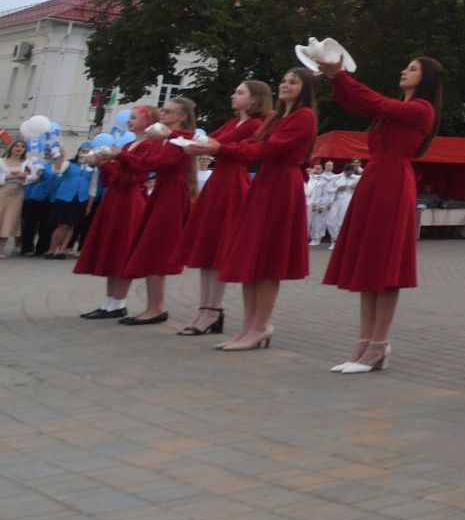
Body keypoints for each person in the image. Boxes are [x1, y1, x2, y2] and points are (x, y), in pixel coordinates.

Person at [318, 55, 442, 374]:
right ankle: (364, 342)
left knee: (384, 268)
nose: (404, 70)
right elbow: (355, 101)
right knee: (368, 266)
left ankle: (378, 344)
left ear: (426, 79)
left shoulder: (421, 109)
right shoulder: (391, 111)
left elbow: (372, 100)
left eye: (412, 68)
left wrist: (340, 73)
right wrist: (335, 78)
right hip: (375, 182)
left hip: (393, 185)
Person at [198, 70, 318, 349]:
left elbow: (266, 150)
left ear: (305, 88)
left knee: (268, 260)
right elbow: (251, 144)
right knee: (251, 256)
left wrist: (220, 150)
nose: (285, 84)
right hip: (265, 183)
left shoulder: (304, 117)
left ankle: (261, 325)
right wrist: (216, 146)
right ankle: (248, 327)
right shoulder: (278, 117)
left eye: (293, 82)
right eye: (284, 80)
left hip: (281, 185)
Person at [174, 81, 270, 336]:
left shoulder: (255, 125)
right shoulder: (233, 122)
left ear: (253, 100)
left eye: (239, 93)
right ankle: (205, 309)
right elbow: (208, 139)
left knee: (217, 249)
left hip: (232, 184)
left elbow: (240, 151)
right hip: (219, 183)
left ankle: (212, 310)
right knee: (208, 249)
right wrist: (178, 137)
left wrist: (208, 146)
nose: (233, 95)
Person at [116, 96, 198, 324]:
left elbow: (155, 164)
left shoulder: (182, 138)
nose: (163, 115)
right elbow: (145, 163)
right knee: (153, 248)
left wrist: (120, 155)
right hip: (161, 193)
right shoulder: (165, 138)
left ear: (182, 117)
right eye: (163, 111)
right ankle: (155, 306)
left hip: (172, 196)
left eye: (169, 112)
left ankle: (157, 307)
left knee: (157, 248)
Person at [74, 113, 156, 318]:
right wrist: (102, 163)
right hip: (116, 198)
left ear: (147, 122)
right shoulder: (129, 146)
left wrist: (112, 159)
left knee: (122, 248)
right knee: (112, 248)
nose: (130, 121)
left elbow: (135, 173)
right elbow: (114, 178)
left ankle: (118, 301)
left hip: (130, 200)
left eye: (135, 117)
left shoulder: (148, 145)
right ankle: (109, 302)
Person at [45, 146, 97, 259]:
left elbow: (92, 188)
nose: (85, 153)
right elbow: (57, 170)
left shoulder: (93, 169)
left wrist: (89, 205)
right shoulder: (69, 164)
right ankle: (51, 249)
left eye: (88, 152)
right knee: (62, 225)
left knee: (71, 225)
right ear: (78, 152)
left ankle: (62, 250)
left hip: (81, 199)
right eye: (83, 151)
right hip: (65, 197)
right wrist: (60, 157)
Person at [18, 145, 54, 256]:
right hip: (34, 196)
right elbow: (26, 178)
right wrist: (36, 173)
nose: (48, 153)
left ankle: (42, 248)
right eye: (46, 151)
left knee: (47, 224)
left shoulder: (58, 164)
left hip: (51, 198)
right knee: (30, 224)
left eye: (51, 151)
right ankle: (27, 248)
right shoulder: (32, 163)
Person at [326, 159, 363, 248]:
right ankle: (334, 238)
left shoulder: (357, 178)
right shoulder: (336, 178)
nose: (350, 174)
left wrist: (355, 188)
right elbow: (328, 189)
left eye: (351, 172)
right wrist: (337, 189)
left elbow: (363, 188)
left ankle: (338, 242)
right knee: (330, 221)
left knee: (341, 222)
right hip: (337, 200)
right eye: (348, 173)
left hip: (348, 200)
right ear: (344, 171)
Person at [1, 140, 28, 256]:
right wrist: (11, 177)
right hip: (2, 192)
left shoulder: (26, 163)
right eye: (17, 146)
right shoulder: (2, 162)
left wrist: (25, 178)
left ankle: (1, 248)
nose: (19, 148)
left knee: (9, 220)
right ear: (11, 147)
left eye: (22, 147)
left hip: (17, 194)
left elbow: (31, 178)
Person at [307, 161, 338, 247]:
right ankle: (316, 238)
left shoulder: (335, 177)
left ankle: (333, 240)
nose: (329, 167)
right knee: (317, 221)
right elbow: (319, 192)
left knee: (331, 221)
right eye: (327, 165)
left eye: (331, 165)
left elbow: (336, 189)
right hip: (320, 200)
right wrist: (319, 204)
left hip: (330, 201)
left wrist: (331, 200)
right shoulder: (320, 178)